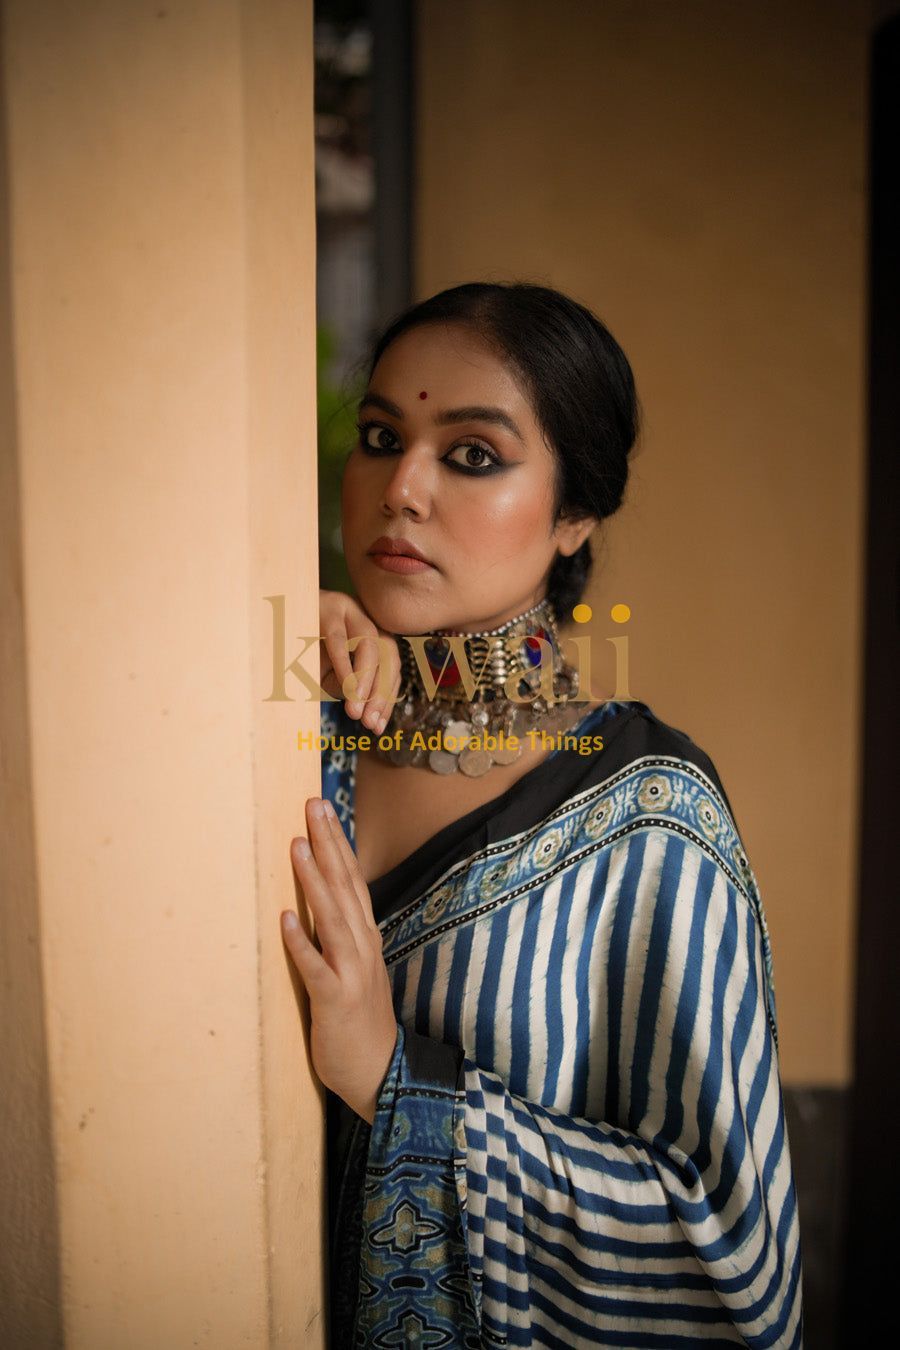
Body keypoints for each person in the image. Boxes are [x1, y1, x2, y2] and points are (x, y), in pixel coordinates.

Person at [280, 282, 804, 1347]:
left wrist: (398, 1081)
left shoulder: (648, 819)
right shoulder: (290, 721)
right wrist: (265, 627)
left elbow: (737, 1270)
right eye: (381, 436)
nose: (402, 489)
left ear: (574, 516)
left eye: (472, 454)